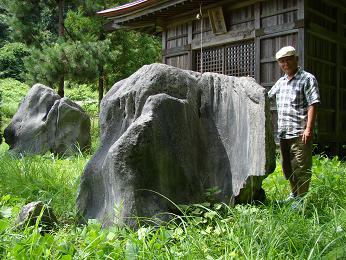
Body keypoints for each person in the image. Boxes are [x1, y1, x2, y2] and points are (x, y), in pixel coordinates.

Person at [268, 46, 320, 205]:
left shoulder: (307, 78)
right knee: (287, 167)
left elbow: (313, 103)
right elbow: (268, 96)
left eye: (288, 59)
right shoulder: (281, 82)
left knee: (301, 167)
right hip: (283, 133)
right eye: (282, 61)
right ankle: (294, 194)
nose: (285, 63)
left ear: (296, 59)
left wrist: (308, 129)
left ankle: (301, 201)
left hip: (300, 132)